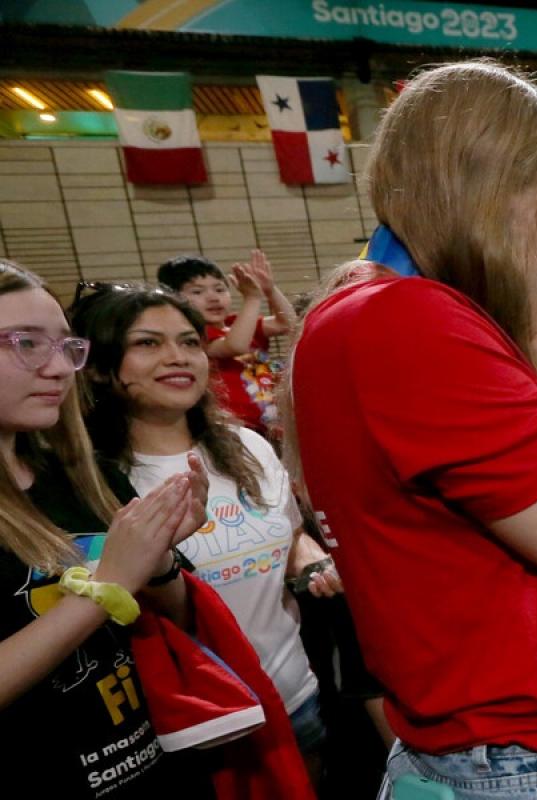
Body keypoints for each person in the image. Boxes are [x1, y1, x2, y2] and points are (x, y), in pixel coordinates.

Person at [287, 61, 537, 799]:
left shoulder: (352, 313)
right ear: (513, 202)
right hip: (523, 759)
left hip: (465, 746)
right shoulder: (413, 324)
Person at [70, 284, 338, 787]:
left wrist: (310, 559)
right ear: (103, 368)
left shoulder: (246, 445)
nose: (178, 357)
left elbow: (291, 533)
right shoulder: (94, 481)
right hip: (200, 724)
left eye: (190, 341)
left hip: (294, 698)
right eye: (148, 343)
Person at [0, 259, 211, 798]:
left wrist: (160, 558)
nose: (56, 369)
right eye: (25, 343)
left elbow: (178, 618)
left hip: (152, 760)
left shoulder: (85, 476)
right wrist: (108, 584)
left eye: (66, 347)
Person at [157, 251, 295, 439]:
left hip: (270, 426)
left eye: (220, 289)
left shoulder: (236, 323)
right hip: (234, 429)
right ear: (174, 299)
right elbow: (235, 346)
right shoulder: (193, 336)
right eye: (197, 292)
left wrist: (270, 290)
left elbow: (289, 324)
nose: (213, 297)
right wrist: (253, 299)